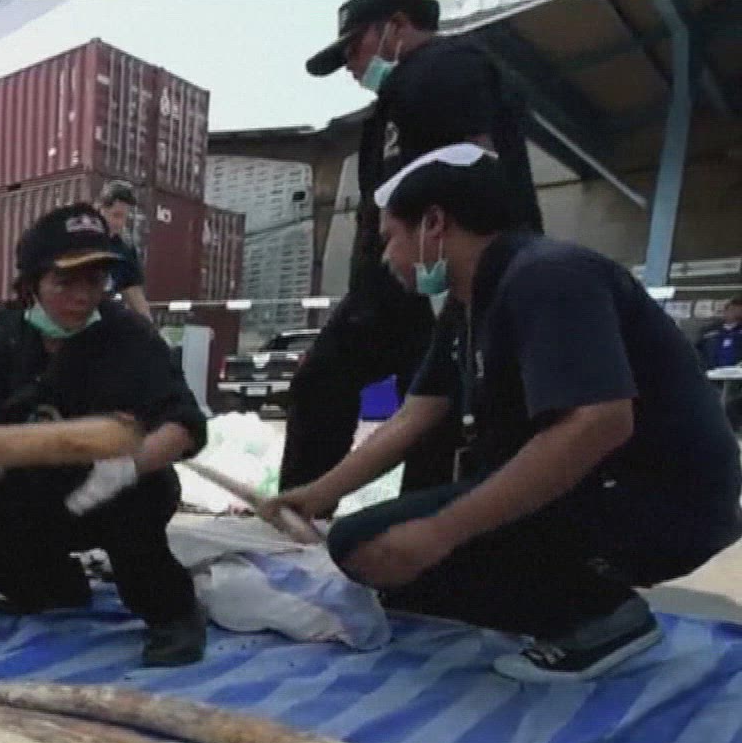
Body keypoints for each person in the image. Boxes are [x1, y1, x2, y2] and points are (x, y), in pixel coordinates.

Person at [265, 146, 741, 682]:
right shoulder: (468, 304)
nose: (387, 257)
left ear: (434, 223)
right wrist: (316, 494)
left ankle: (600, 616)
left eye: (390, 237)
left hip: (658, 501)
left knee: (372, 545)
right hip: (594, 490)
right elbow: (413, 418)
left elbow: (599, 422)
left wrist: (442, 530)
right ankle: (575, 596)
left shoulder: (549, 277)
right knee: (390, 570)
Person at [0, 204, 210, 667]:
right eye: (65, 282)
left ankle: (173, 614)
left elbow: (183, 422)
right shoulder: (5, 339)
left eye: (94, 281)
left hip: (112, 487)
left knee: (137, 510)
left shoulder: (130, 337)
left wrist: (133, 464)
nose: (82, 296)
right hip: (35, 489)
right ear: (32, 284)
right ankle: (52, 588)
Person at [285, 0, 541, 495]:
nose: (350, 65)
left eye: (354, 47)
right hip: (395, 286)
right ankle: (314, 507)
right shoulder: (400, 94)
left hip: (434, 282)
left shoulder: (444, 70)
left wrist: (447, 283)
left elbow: (473, 169)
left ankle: (418, 523)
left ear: (397, 26)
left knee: (424, 410)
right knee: (406, 406)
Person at [97, 181, 153, 321]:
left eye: (124, 218)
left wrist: (150, 329)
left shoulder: (123, 249)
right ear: (100, 209)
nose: (120, 223)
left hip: (103, 319)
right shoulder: (79, 239)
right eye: (116, 215)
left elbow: (134, 294)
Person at [700, 295, 742, 430]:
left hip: (737, 381)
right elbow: (697, 350)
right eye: (732, 309)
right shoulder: (710, 331)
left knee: (731, 403)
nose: (735, 313)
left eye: (738, 310)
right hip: (711, 376)